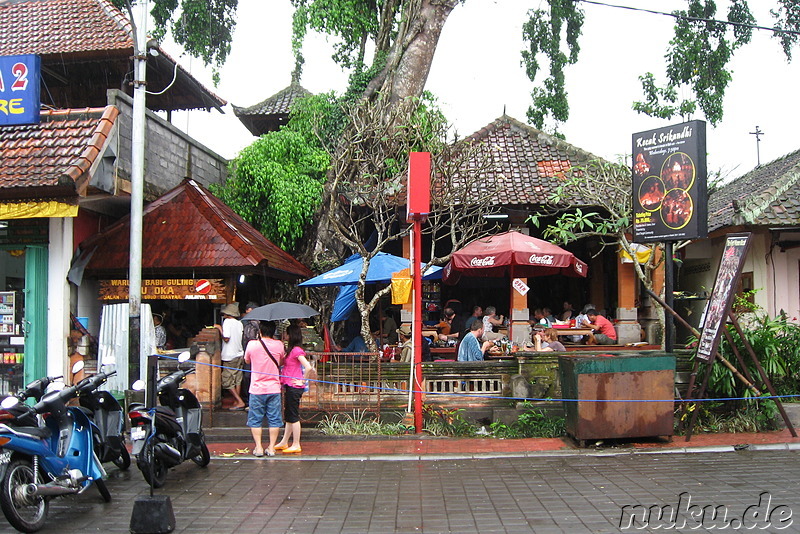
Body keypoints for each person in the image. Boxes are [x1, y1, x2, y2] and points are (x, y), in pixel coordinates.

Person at [244, 320, 285, 457]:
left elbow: (247, 360)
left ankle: (259, 447)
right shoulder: (279, 345)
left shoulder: (252, 345)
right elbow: (281, 362)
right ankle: (272, 448)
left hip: (256, 388)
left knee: (255, 418)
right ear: (273, 332)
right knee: (274, 418)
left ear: (260, 331)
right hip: (274, 388)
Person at [275, 324, 313, 454]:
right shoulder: (290, 350)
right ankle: (285, 441)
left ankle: (296, 443)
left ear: (291, 335)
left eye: (286, 333)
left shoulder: (296, 350)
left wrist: (302, 380)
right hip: (289, 385)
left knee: (293, 416)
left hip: (294, 386)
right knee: (289, 415)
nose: (284, 336)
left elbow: (308, 367)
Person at [215, 303, 246, 410]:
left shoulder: (227, 322)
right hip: (239, 353)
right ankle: (236, 402)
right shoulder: (239, 323)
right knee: (237, 379)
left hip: (230, 355)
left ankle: (240, 401)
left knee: (226, 381)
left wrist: (219, 328)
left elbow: (226, 338)